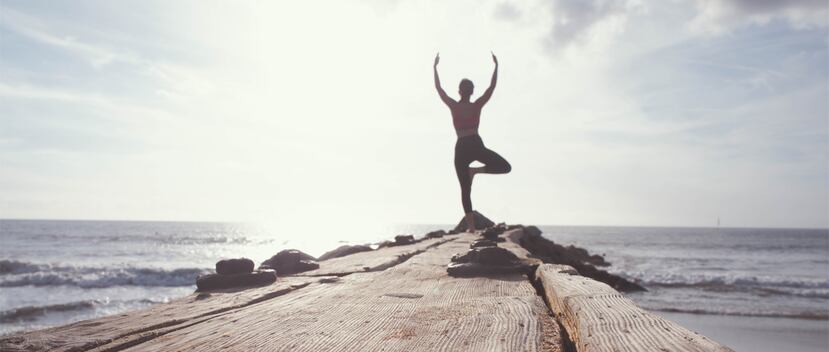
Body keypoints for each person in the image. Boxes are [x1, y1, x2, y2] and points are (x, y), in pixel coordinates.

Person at [433, 52, 511, 232]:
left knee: (464, 188)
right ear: (472, 91)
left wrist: (434, 68)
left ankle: (471, 228)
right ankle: (475, 171)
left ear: (459, 91)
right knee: (505, 167)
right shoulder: (476, 105)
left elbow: (439, 89)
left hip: (461, 147)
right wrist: (496, 67)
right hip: (475, 144)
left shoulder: (454, 105)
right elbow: (491, 88)